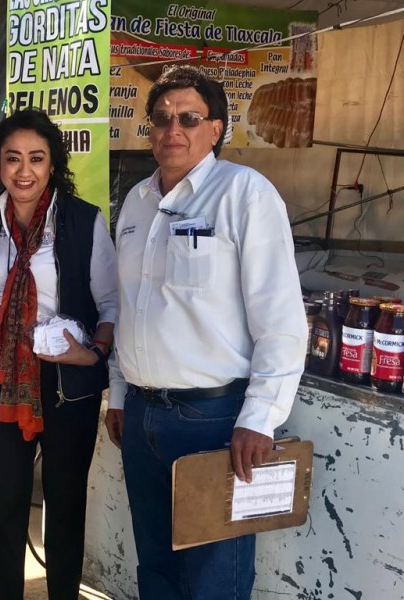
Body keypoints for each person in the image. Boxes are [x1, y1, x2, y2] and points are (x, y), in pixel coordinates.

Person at [105, 65, 308, 600]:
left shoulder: (243, 194)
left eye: (189, 118)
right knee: (156, 568)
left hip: (213, 421)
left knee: (214, 579)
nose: (173, 130)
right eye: (162, 119)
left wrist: (260, 417)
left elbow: (282, 318)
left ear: (215, 129)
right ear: (149, 129)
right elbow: (129, 308)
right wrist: (121, 395)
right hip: (142, 417)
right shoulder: (136, 203)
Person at [0, 109, 117, 599]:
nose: (24, 170)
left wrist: (92, 353)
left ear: (53, 165)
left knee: (65, 504)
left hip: (65, 387)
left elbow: (112, 302)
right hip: (4, 382)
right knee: (6, 504)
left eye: (37, 158)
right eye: (12, 159)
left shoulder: (83, 222)